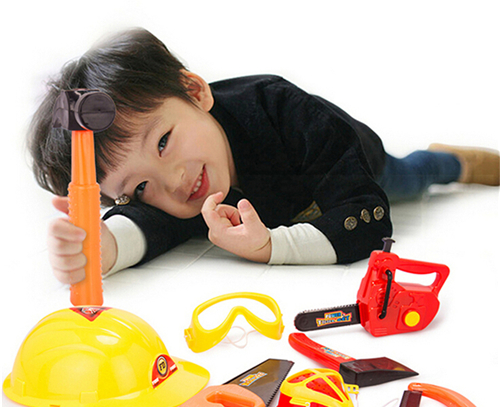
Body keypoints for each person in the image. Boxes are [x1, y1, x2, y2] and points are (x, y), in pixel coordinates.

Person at [28, 28, 499, 285]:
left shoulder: (281, 110)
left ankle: (451, 162)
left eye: (164, 141)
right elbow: (151, 222)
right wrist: (104, 247)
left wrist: (272, 245)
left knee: (410, 177)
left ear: (194, 91)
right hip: (278, 201)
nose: (171, 182)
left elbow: (368, 223)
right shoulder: (176, 194)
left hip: (343, 165)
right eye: (138, 187)